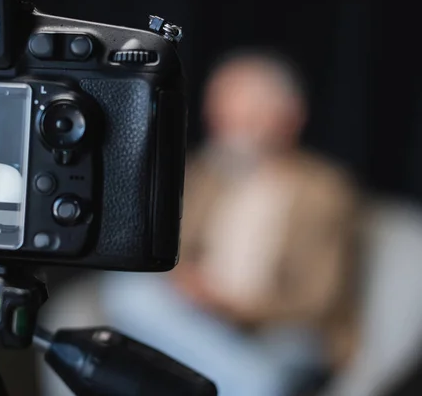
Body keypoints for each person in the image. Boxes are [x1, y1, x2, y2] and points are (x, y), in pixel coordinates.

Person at [38, 48, 361, 396]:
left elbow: (319, 299)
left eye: (243, 110)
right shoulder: (209, 174)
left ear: (287, 115)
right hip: (201, 322)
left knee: (287, 354)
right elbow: (171, 248)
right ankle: (248, 382)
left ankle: (251, 383)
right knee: (128, 292)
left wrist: (232, 306)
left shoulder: (323, 191)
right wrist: (187, 283)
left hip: (277, 331)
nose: (224, 121)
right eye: (220, 108)